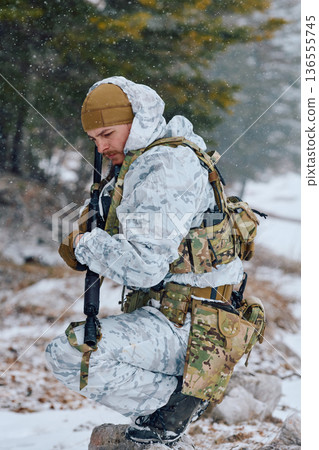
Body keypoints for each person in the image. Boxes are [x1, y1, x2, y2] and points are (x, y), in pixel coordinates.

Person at [45, 76, 247, 445]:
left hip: (196, 330)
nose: (102, 146)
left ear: (136, 120)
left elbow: (144, 266)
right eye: (94, 139)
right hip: (181, 316)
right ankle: (171, 407)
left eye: (107, 133)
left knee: (71, 354)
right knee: (74, 351)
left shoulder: (166, 166)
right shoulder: (143, 156)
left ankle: (183, 400)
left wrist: (87, 245)